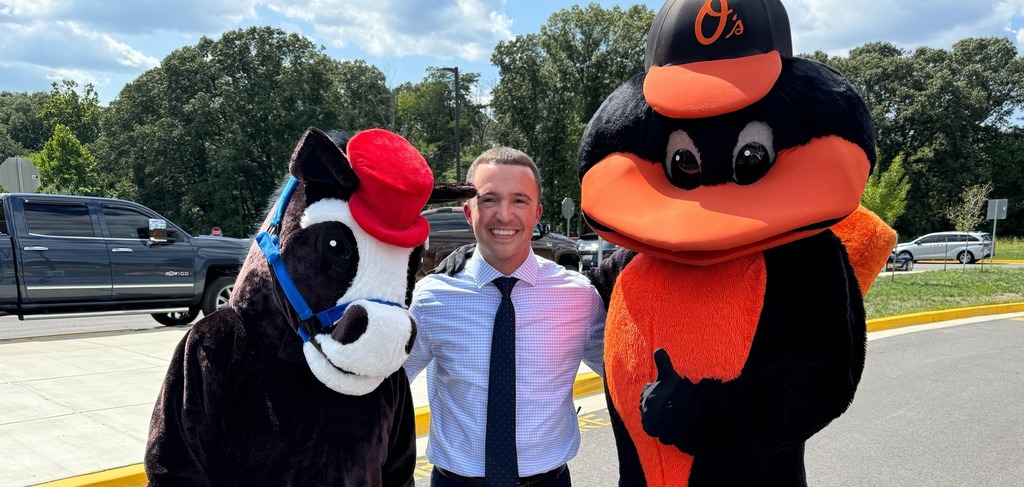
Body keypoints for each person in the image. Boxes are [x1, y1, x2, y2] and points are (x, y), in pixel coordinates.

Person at [405, 147, 605, 487]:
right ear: (468, 212)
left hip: (549, 481)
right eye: (488, 200)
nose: (504, 214)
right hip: (456, 481)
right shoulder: (432, 298)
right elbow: (385, 387)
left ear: (537, 213)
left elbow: (626, 374)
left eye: (519, 201)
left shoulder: (579, 297)